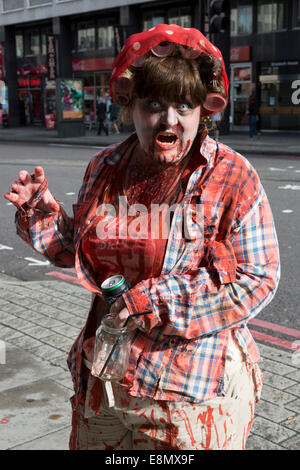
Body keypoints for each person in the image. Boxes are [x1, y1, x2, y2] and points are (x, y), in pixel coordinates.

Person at [4, 24, 280, 450]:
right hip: (105, 385)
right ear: (129, 103)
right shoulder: (104, 165)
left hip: (188, 398)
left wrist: (152, 300)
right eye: (154, 104)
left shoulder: (231, 176)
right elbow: (76, 251)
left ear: (203, 110)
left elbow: (257, 278)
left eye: (184, 106)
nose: (170, 120)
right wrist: (41, 214)